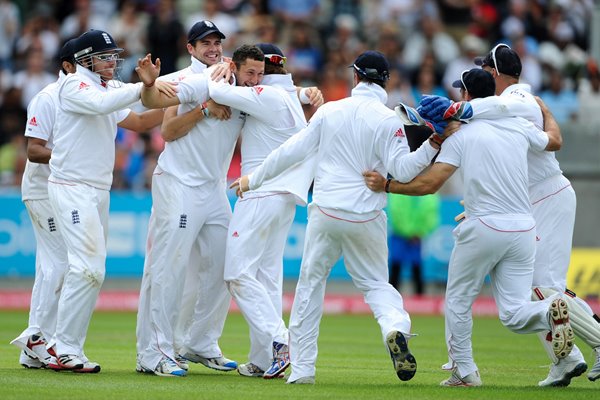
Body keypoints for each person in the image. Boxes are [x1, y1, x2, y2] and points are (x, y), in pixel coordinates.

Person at [231, 50, 445, 384]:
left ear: (355, 77)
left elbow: (291, 151)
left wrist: (252, 179)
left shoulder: (330, 111)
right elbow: (403, 170)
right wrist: (434, 143)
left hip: (327, 212)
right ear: (385, 82)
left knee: (309, 288)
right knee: (376, 285)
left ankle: (302, 371)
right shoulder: (390, 119)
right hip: (366, 216)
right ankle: (394, 327)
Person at [364, 68, 573, 387]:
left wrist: (388, 186)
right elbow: (555, 140)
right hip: (523, 229)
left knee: (459, 300)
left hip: (483, 226)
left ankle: (464, 371)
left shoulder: (461, 134)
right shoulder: (519, 126)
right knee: (514, 314)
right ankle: (548, 312)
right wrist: (546, 111)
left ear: (465, 96)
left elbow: (429, 184)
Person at [420, 43, 600, 386]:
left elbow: (481, 112)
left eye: (485, 70)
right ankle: (566, 361)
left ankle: (596, 344)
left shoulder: (517, 100)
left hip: (548, 196)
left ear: (494, 73)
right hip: (529, 202)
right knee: (530, 291)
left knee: (543, 288)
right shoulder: (515, 105)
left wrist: (446, 108)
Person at [46, 29, 171, 373]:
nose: (113, 61)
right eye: (105, 56)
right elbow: (104, 103)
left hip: (97, 190)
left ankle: (67, 346)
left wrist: (185, 95)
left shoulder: (107, 87)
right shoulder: (73, 85)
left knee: (91, 271)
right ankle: (63, 347)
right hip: (72, 187)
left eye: (114, 55)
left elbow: (143, 119)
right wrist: (144, 86)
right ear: (85, 60)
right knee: (87, 268)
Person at [206, 43, 319, 379]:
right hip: (283, 197)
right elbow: (295, 93)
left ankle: (280, 341)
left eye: (258, 73)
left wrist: (222, 69)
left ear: (267, 72)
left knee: (237, 274)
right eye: (250, 73)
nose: (253, 78)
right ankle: (261, 358)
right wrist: (305, 91)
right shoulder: (288, 97)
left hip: (260, 193)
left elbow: (214, 90)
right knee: (266, 278)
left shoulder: (266, 96)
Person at [136, 20, 238, 377]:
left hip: (214, 188)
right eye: (204, 43)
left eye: (216, 42)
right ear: (191, 48)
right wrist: (205, 109)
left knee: (227, 264)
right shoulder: (185, 79)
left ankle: (199, 342)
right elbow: (168, 130)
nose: (213, 47)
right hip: (178, 183)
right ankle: (153, 352)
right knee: (168, 266)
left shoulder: (234, 80)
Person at [10, 39, 77, 370]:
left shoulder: (81, 97)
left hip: (60, 189)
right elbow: (33, 150)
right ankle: (38, 337)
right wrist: (70, 158)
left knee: (51, 264)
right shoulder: (47, 98)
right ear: (67, 65)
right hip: (41, 189)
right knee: (60, 262)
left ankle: (32, 349)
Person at [387, 193, 440, 295]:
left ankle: (418, 299)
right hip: (402, 235)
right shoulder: (429, 193)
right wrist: (413, 233)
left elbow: (431, 215)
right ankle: (391, 297)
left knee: (416, 268)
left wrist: (418, 232)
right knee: (397, 267)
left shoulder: (429, 194)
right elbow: (395, 212)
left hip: (415, 236)